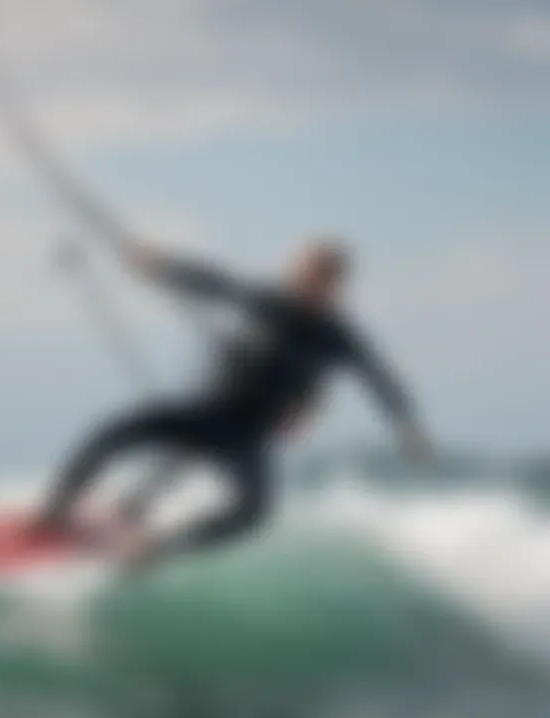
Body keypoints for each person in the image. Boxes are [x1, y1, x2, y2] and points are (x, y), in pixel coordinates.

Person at [35, 236, 430, 569]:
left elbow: (379, 378)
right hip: (206, 411)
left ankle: (158, 548)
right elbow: (217, 284)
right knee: (113, 433)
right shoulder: (273, 302)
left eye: (311, 274)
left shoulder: (338, 337)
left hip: (247, 436)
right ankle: (55, 515)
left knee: (252, 511)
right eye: (299, 270)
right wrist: (163, 268)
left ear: (333, 283)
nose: (299, 279)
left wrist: (407, 425)